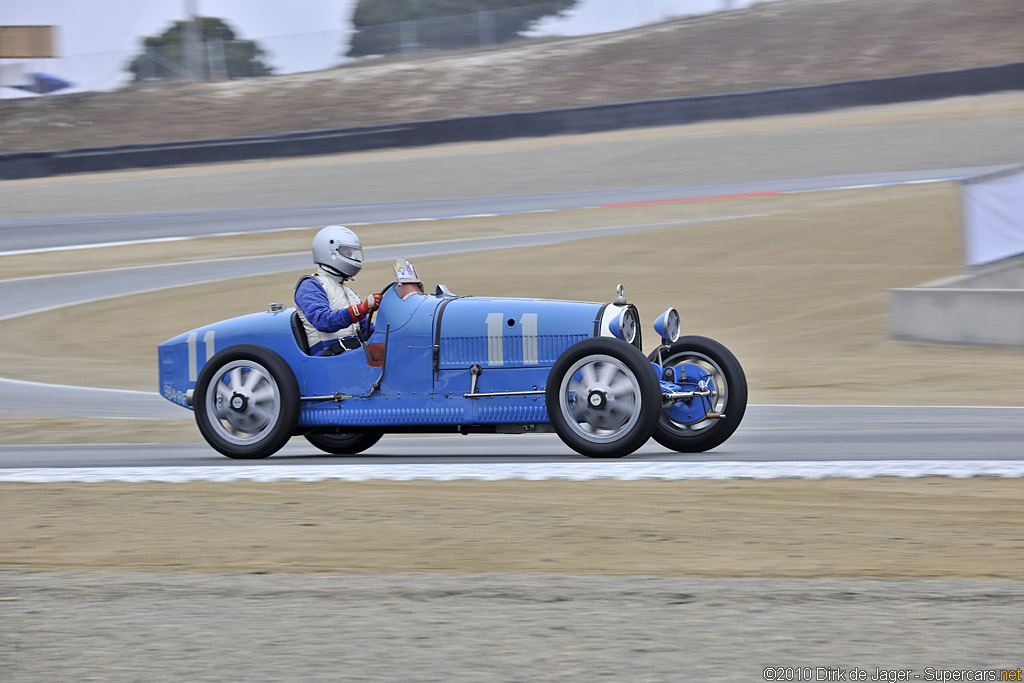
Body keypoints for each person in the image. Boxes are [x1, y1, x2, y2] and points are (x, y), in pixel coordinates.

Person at [294, 225, 382, 356]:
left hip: (353, 352)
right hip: (328, 355)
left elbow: (367, 332)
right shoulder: (311, 285)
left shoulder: (350, 293)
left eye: (353, 253)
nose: (353, 257)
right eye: (347, 252)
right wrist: (362, 309)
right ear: (330, 252)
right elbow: (323, 321)